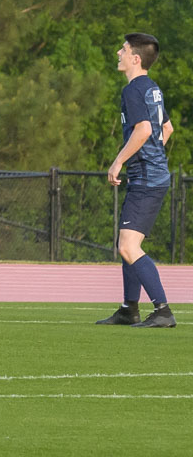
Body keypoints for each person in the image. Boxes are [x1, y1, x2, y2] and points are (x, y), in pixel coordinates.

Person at [96, 33, 177, 328]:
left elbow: (144, 130)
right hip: (152, 177)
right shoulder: (151, 88)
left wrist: (119, 160)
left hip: (147, 180)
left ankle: (163, 310)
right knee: (126, 241)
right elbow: (166, 129)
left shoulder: (132, 90)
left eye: (124, 49)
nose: (119, 52)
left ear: (135, 58)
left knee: (129, 247)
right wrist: (152, 158)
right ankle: (129, 308)